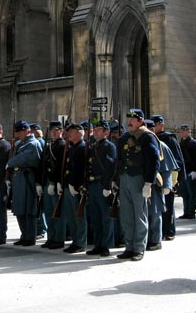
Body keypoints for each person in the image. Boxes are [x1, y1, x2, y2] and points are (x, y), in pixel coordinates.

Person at [115, 109, 160, 261]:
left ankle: (139, 248)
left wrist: (149, 182)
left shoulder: (147, 137)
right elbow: (119, 159)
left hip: (139, 179)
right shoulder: (125, 137)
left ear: (141, 121)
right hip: (125, 178)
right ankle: (129, 246)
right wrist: (116, 179)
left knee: (140, 214)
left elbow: (153, 161)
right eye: (129, 119)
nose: (130, 122)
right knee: (126, 215)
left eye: (133, 119)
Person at [7, 120, 43, 246]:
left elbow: (23, 159)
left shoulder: (33, 143)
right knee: (19, 208)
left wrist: (10, 163)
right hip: (19, 178)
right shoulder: (19, 143)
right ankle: (24, 235)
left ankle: (30, 236)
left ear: (28, 131)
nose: (18, 134)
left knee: (28, 209)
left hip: (28, 178)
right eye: (18, 132)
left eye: (21, 131)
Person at [152, 114, 186, 241]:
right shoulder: (152, 138)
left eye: (156, 124)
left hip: (168, 177)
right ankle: (161, 230)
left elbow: (177, 160)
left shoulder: (168, 139)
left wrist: (175, 180)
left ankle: (170, 230)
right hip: (156, 178)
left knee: (168, 206)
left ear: (162, 125)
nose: (154, 127)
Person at [86, 119, 116, 257]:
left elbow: (111, 168)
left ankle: (105, 245)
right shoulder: (93, 147)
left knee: (106, 217)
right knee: (95, 217)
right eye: (95, 130)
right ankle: (98, 244)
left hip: (102, 185)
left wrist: (107, 186)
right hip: (92, 185)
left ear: (106, 132)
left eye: (99, 130)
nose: (95, 132)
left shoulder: (109, 146)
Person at [61, 123, 88, 253]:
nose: (68, 134)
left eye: (71, 131)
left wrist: (74, 184)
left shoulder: (82, 147)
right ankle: (75, 240)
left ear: (79, 132)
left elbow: (80, 169)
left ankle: (80, 242)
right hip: (68, 185)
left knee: (79, 216)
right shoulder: (72, 147)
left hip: (76, 187)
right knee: (70, 216)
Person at [40, 121, 66, 250]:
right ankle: (51, 237)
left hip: (55, 184)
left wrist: (55, 182)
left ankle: (59, 239)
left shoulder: (62, 145)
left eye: (57, 130)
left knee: (57, 213)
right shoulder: (49, 145)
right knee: (49, 212)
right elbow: (44, 166)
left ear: (61, 131)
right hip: (47, 183)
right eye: (52, 131)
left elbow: (60, 167)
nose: (54, 133)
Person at [178, 124, 196, 219]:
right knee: (184, 193)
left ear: (189, 131)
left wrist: (195, 170)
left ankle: (191, 212)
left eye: (185, 130)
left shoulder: (194, 143)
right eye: (182, 130)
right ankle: (186, 211)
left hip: (191, 171)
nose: (183, 132)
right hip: (183, 172)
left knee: (192, 193)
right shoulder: (180, 144)